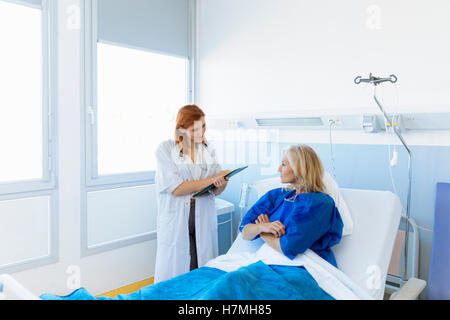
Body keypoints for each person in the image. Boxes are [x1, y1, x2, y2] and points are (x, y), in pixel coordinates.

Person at [154, 105, 230, 283]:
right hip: (177, 219)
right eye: (195, 128)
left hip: (202, 215)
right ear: (181, 130)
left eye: (203, 126)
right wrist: (212, 180)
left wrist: (221, 183)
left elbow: (216, 191)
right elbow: (177, 188)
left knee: (199, 266)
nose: (202, 131)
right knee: (176, 270)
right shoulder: (165, 149)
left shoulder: (207, 150)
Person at [239, 144, 343, 268]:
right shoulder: (276, 196)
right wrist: (263, 226)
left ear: (299, 168)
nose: (278, 169)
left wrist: (263, 232)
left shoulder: (320, 204)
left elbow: (289, 247)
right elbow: (245, 231)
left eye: (283, 164)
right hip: (268, 261)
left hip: (303, 267)